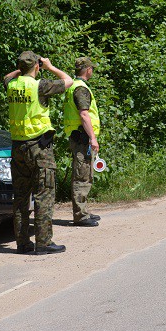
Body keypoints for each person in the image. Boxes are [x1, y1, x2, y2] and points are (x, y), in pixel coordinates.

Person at [5, 51, 73, 255]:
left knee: (20, 198)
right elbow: (68, 81)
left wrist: (25, 67)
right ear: (36, 66)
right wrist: (49, 67)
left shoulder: (12, 85)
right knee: (44, 194)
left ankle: (22, 243)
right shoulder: (40, 85)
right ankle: (43, 243)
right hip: (39, 147)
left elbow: (7, 76)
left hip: (18, 147)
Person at [63, 56, 101, 227]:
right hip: (82, 138)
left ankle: (83, 211)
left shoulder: (74, 86)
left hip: (80, 137)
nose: (92, 71)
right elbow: (84, 114)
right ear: (88, 70)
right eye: (91, 68)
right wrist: (93, 138)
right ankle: (80, 216)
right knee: (81, 176)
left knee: (85, 174)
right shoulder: (80, 88)